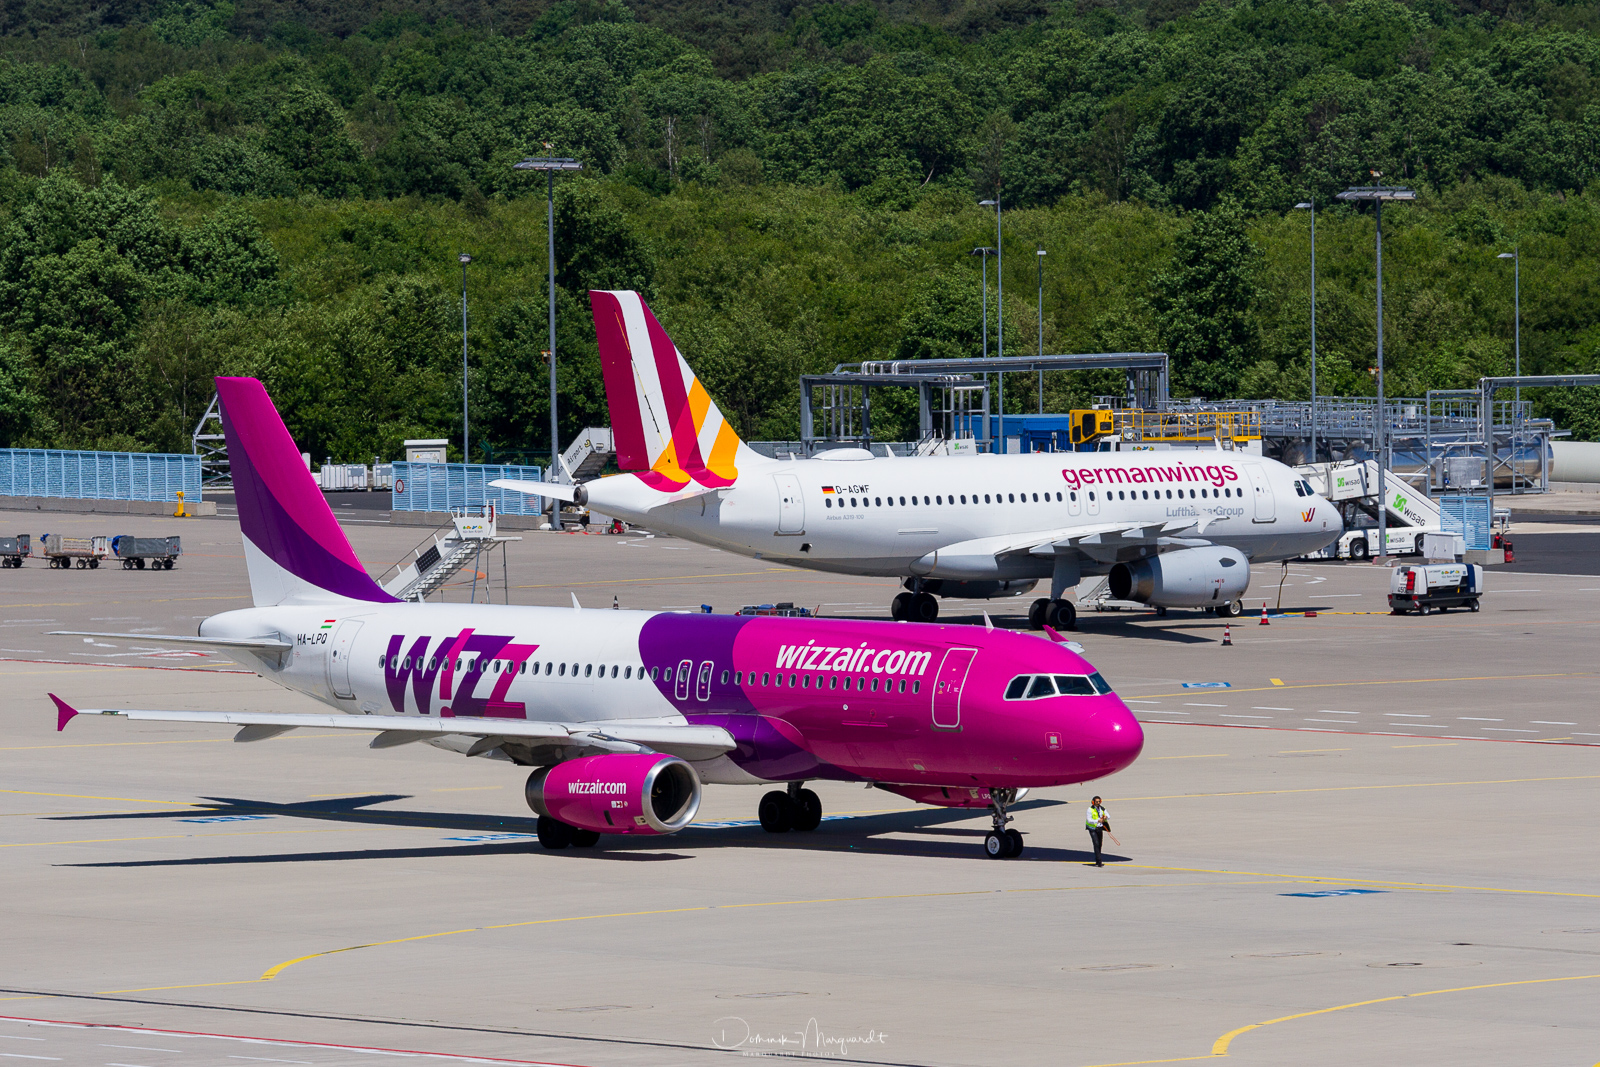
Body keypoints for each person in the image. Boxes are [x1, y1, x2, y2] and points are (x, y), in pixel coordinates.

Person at [1086, 796, 1110, 866]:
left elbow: (1109, 816)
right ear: (1093, 802)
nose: (1098, 803)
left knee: (1099, 844)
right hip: (1092, 829)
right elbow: (1089, 820)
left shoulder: (1102, 809)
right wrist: (1098, 820)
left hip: (1100, 828)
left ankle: (1097, 859)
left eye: (1099, 802)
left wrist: (1106, 817)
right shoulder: (1090, 809)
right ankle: (1099, 861)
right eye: (1096, 802)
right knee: (1096, 843)